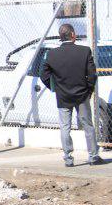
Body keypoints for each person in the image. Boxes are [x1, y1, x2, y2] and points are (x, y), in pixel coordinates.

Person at [42, 23, 101, 167]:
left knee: (65, 127)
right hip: (82, 95)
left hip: (63, 97)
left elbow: (43, 75)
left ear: (60, 36)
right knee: (88, 125)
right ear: (73, 35)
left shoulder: (52, 54)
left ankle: (68, 158)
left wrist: (54, 88)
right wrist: (89, 90)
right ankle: (93, 156)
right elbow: (92, 75)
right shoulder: (84, 51)